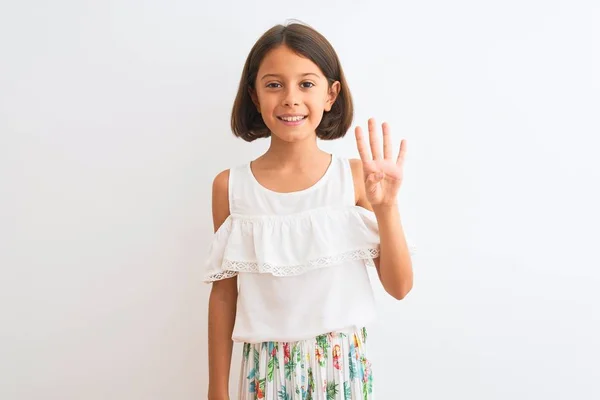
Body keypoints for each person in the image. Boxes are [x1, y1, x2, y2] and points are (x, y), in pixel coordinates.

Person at [204, 21, 415, 400]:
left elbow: (399, 287)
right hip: (264, 371)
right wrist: (216, 389)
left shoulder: (354, 179)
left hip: (342, 366)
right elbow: (224, 294)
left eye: (306, 84)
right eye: (273, 84)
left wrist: (387, 209)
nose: (290, 98)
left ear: (331, 94)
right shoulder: (230, 187)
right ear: (254, 95)